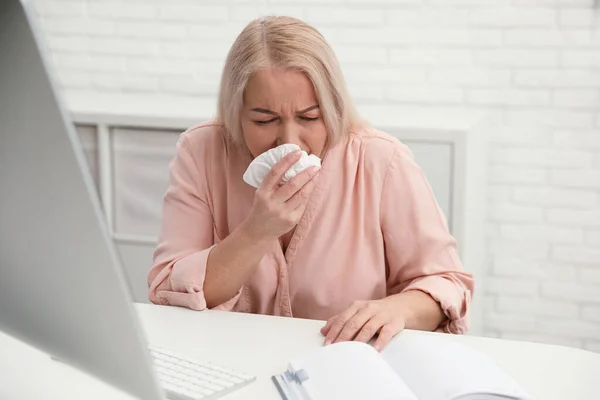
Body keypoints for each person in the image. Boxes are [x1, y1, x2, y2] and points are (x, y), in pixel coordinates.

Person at [148, 16, 474, 351]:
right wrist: (257, 231)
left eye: (309, 118)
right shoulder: (201, 151)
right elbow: (169, 289)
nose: (289, 141)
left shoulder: (381, 159)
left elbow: (448, 284)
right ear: (236, 112)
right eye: (264, 120)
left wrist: (397, 309)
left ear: (333, 108)